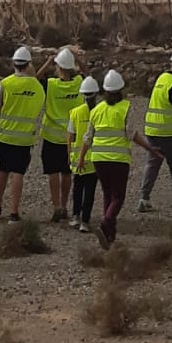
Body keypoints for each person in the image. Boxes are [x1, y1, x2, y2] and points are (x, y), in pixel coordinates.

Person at [77, 68, 154, 246]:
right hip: (118, 160)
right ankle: (105, 225)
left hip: (98, 159)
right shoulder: (125, 108)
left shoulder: (96, 110)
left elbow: (88, 137)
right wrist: (149, 148)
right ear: (120, 90)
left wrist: (81, 158)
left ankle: (110, 236)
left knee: (107, 195)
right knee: (118, 197)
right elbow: (131, 134)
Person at [0, 45, 46, 221]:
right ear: (28, 64)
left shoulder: (5, 83)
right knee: (18, 173)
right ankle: (14, 212)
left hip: (6, 135)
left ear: (13, 63)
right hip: (25, 138)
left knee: (3, 170)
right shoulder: (37, 86)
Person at [137, 47, 172, 212]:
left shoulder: (162, 78)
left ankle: (144, 198)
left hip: (153, 130)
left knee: (152, 164)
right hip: (169, 132)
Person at [39, 47, 82, 224]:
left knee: (53, 173)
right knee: (67, 173)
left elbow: (34, 80)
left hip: (51, 137)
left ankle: (56, 206)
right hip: (71, 137)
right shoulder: (79, 83)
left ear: (58, 67)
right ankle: (64, 205)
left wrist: (47, 63)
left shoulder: (51, 85)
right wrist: (78, 59)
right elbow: (89, 76)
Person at [68, 75, 101, 230]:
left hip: (78, 159)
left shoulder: (75, 112)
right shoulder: (100, 111)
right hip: (95, 159)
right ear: (96, 94)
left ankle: (75, 216)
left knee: (78, 188)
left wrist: (69, 155)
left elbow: (70, 135)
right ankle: (85, 221)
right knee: (90, 191)